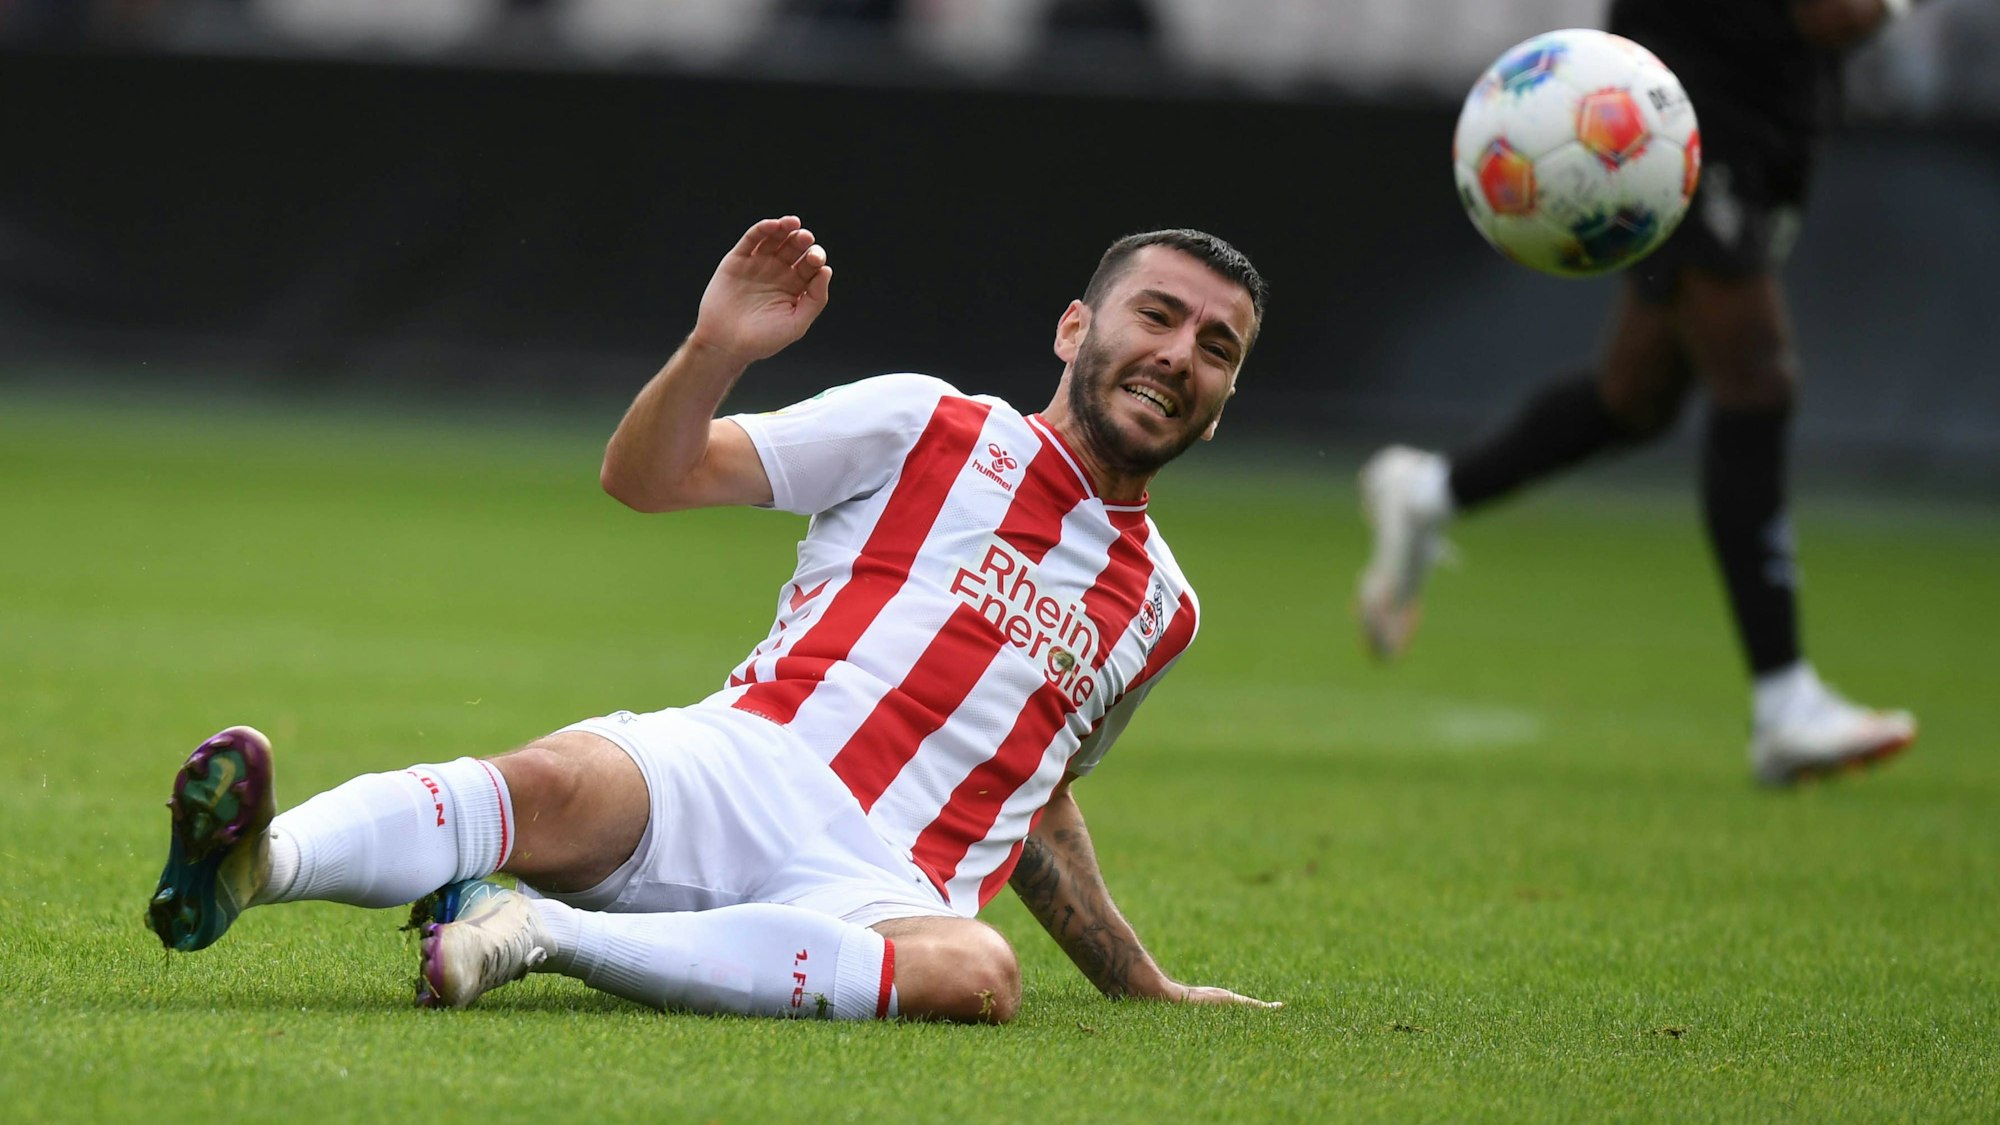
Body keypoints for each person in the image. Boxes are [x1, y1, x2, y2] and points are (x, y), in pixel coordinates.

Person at [148, 214, 1281, 1023]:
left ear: (1223, 404)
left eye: (1214, 348)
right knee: (544, 784)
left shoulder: (1163, 612)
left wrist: (1141, 982)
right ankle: (250, 864)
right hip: (743, 762)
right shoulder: (925, 424)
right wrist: (716, 351)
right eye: (1158, 317)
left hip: (884, 894)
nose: (1177, 356)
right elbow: (648, 477)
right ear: (1075, 330)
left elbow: (1038, 793)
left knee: (978, 973)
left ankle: (533, 933)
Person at [1355, 0, 1920, 787]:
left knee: (1638, 396)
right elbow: (1838, 14)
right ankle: (1785, 700)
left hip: (1772, 105)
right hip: (1668, 112)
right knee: (1757, 377)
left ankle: (1429, 490)